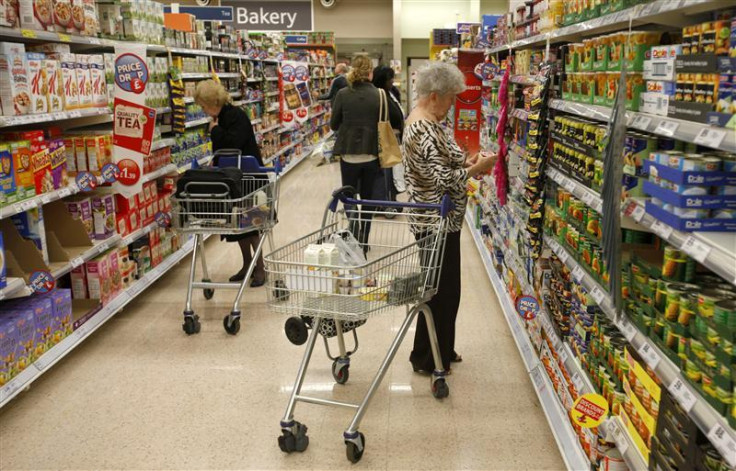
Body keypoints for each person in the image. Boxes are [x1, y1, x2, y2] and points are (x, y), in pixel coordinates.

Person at [402, 62, 496, 374]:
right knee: (439, 291)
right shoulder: (420, 128)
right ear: (433, 96)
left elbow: (447, 158)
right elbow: (441, 178)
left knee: (444, 289)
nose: (453, 104)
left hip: (444, 219)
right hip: (433, 221)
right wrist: (475, 170)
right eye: (450, 98)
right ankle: (429, 359)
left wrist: (467, 158)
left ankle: (440, 347)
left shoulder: (430, 121)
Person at [194, 79, 267, 286]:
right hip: (233, 180)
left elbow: (231, 144)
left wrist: (215, 131)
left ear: (212, 101)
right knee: (237, 227)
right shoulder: (222, 117)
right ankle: (247, 264)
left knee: (251, 224)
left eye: (203, 105)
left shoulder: (235, 116)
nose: (203, 110)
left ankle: (260, 268)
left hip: (248, 179)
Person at [330, 56, 402, 249]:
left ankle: (353, 235)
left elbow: (333, 124)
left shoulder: (343, 94)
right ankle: (364, 241)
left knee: (350, 196)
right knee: (368, 199)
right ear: (370, 73)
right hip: (372, 154)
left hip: (348, 154)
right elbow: (385, 121)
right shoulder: (380, 94)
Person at [371, 65, 404, 206]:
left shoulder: (390, 92)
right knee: (387, 172)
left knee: (393, 171)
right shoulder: (378, 95)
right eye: (390, 78)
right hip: (385, 139)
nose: (392, 81)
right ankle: (384, 201)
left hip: (393, 138)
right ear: (382, 79)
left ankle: (391, 198)